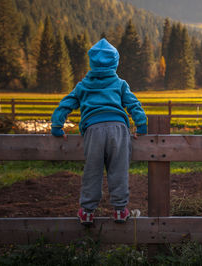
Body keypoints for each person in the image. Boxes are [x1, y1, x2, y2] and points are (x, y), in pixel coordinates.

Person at [50, 38, 147, 225]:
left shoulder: (83, 85)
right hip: (119, 129)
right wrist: (141, 126)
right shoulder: (120, 84)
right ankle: (120, 210)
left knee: (92, 171)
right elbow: (134, 105)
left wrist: (57, 126)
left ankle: (87, 212)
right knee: (118, 170)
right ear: (115, 63)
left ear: (92, 63)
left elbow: (65, 105)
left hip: (93, 130)